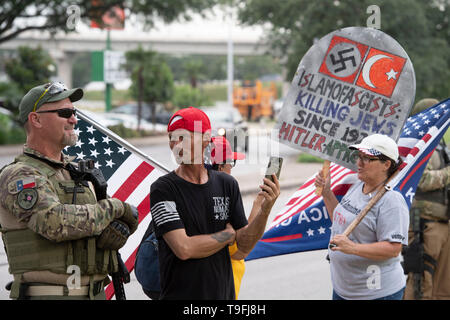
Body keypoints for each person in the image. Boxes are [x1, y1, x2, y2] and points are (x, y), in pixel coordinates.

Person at [0, 82, 139, 300]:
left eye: (74, 112)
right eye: (64, 113)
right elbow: (53, 223)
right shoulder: (20, 175)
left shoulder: (76, 172)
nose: (74, 119)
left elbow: (113, 221)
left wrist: (120, 224)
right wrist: (114, 208)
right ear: (36, 119)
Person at [150, 107, 280, 300]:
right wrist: (226, 235)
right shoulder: (163, 189)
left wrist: (265, 210)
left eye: (182, 137)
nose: (174, 144)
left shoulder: (227, 184)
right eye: (171, 137)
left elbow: (243, 247)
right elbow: (184, 248)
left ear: (205, 138)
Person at [315, 133, 409, 300]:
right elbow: (340, 221)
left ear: (386, 164)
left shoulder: (391, 200)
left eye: (367, 159)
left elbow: (394, 249)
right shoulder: (358, 185)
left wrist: (353, 248)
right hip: (343, 290)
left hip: (376, 294)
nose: (359, 163)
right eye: (359, 156)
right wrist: (327, 193)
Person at [209, 135, 268, 299]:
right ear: (221, 167)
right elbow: (241, 250)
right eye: (231, 163)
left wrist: (257, 204)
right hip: (222, 290)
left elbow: (242, 235)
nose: (232, 168)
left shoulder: (197, 194)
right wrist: (265, 210)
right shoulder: (223, 197)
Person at [403, 98, 450, 300]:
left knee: (443, 286)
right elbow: (422, 180)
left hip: (443, 222)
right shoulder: (420, 147)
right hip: (424, 223)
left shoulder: (441, 145)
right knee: (421, 282)